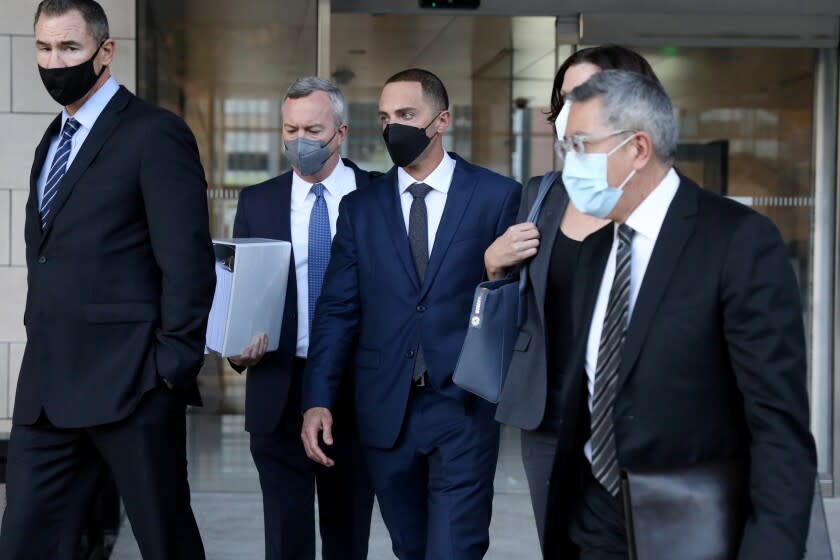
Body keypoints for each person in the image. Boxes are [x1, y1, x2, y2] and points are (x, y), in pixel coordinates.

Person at [549, 69, 816, 558]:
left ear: (638, 148)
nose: (570, 164)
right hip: (594, 522)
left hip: (693, 526)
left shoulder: (738, 241)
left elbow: (777, 426)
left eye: (581, 145)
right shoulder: (593, 252)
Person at [0, 1, 216, 559]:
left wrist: (169, 369)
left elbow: (188, 263)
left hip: (131, 386)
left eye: (69, 48)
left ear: (105, 51)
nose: (54, 62)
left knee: (165, 541)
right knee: (25, 540)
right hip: (47, 391)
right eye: (44, 49)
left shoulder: (154, 133)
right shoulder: (53, 139)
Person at [300, 68, 521, 560]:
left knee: (455, 549)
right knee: (411, 547)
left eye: (406, 115)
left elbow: (514, 303)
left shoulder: (497, 196)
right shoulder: (361, 208)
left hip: (462, 406)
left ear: (441, 120)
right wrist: (318, 398)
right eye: (384, 117)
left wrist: (494, 270)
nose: (392, 126)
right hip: (385, 411)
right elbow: (337, 311)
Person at [485, 45, 661, 551]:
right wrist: (494, 263)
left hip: (638, 414)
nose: (570, 111)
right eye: (563, 98)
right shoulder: (542, 194)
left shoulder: (658, 199)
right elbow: (520, 299)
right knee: (561, 544)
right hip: (548, 415)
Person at [229, 76, 375, 560]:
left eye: (313, 130)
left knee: (347, 534)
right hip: (278, 386)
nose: (299, 142)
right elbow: (240, 291)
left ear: (341, 131)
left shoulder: (379, 197)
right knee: (286, 538)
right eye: (289, 130)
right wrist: (235, 345)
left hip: (354, 389)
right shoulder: (257, 201)